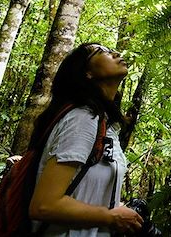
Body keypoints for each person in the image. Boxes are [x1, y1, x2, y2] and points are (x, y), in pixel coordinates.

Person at [27, 42, 143, 236]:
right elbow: (44, 205)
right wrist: (111, 217)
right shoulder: (82, 118)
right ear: (87, 73)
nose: (114, 53)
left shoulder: (104, 123)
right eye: (101, 52)